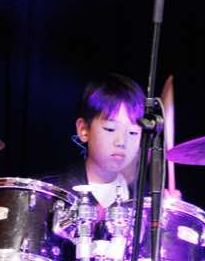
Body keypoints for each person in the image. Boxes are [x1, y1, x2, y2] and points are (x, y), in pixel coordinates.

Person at [44, 73, 146, 208]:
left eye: (133, 132)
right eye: (110, 129)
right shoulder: (50, 193)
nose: (122, 142)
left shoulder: (145, 199)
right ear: (84, 130)